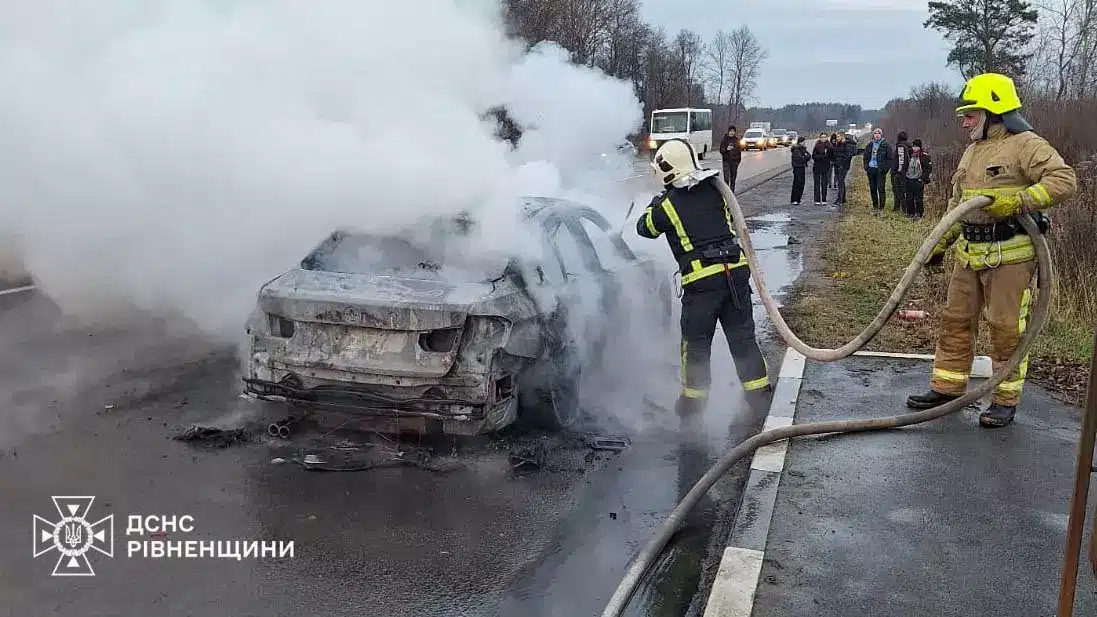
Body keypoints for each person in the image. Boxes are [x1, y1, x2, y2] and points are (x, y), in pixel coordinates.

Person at [906, 72, 1077, 428]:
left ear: (995, 113)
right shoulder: (972, 151)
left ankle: (1004, 398)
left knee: (1005, 328)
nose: (965, 121)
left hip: (1010, 255)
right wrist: (940, 243)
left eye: (971, 114)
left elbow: (1064, 181)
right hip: (968, 254)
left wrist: (1019, 200)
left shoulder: (1027, 145)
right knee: (955, 321)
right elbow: (959, 205)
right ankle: (947, 388)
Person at [636, 139, 771, 418]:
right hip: (735, 276)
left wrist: (655, 203)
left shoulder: (668, 204)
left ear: (666, 168)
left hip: (702, 286)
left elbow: (644, 229)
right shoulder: (715, 189)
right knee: (743, 339)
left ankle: (692, 411)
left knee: (696, 347)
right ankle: (761, 402)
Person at [862, 128, 892, 213]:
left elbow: (890, 159)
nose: (877, 135)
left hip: (880, 170)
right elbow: (865, 157)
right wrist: (866, 167)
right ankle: (875, 206)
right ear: (873, 135)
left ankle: (881, 207)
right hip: (871, 169)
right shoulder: (869, 145)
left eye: (879, 133)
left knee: (881, 188)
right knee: (873, 188)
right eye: (875, 133)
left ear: (881, 135)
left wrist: (885, 169)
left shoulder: (886, 145)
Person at [904, 138, 932, 219]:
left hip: (918, 180)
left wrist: (923, 179)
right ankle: (910, 213)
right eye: (914, 146)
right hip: (909, 178)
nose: (915, 148)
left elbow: (928, 169)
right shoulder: (908, 155)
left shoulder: (925, 156)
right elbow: (904, 165)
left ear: (920, 147)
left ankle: (919, 214)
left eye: (916, 146)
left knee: (918, 198)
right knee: (909, 198)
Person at [831, 132, 856, 206]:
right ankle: (843, 199)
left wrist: (842, 164)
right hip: (838, 165)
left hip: (843, 166)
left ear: (842, 137)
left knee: (840, 182)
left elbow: (848, 156)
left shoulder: (847, 145)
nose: (837, 138)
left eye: (838, 137)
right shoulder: (838, 144)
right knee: (841, 181)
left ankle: (839, 200)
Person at [892, 130, 913, 214]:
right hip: (906, 173)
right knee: (904, 190)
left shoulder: (900, 146)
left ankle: (901, 208)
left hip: (899, 173)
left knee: (898, 190)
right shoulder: (909, 146)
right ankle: (901, 208)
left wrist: (898, 171)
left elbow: (901, 160)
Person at [718, 125, 743, 191]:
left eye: (733, 131)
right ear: (728, 132)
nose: (732, 133)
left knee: (733, 178)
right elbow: (721, 150)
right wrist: (727, 149)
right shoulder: (724, 139)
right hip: (726, 161)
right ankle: (726, 192)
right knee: (726, 178)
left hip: (734, 162)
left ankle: (732, 193)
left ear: (735, 132)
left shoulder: (736, 140)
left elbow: (739, 152)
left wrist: (738, 161)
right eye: (730, 131)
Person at [811, 132, 833, 205]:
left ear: (827, 138)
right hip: (817, 167)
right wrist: (821, 156)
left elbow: (831, 156)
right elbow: (813, 156)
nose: (823, 138)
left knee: (824, 184)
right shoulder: (817, 145)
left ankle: (824, 199)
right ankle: (817, 199)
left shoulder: (830, 146)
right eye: (822, 137)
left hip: (826, 167)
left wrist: (826, 157)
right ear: (820, 138)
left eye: (825, 137)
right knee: (817, 184)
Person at [790, 136, 811, 205]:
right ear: (800, 142)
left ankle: (798, 199)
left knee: (801, 184)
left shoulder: (803, 149)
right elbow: (800, 159)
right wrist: (804, 157)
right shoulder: (796, 149)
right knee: (797, 184)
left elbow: (809, 156)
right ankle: (794, 199)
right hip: (797, 168)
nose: (805, 143)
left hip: (802, 167)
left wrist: (804, 156)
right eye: (804, 142)